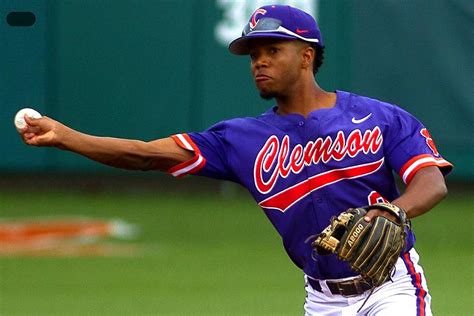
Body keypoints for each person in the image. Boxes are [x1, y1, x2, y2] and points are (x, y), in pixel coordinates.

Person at [20, 5, 452, 315]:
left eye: (271, 49)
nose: (258, 61)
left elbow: (431, 182)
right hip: (321, 299)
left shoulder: (378, 116)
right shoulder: (239, 139)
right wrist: (67, 138)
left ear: (306, 55)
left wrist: (393, 211)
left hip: (390, 288)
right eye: (253, 53)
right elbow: (146, 155)